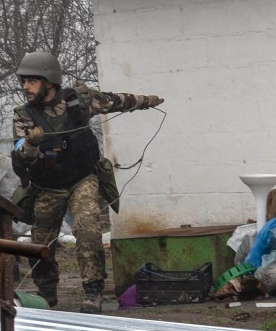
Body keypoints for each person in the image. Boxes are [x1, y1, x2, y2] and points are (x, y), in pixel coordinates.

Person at [9, 51, 162, 310]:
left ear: (49, 81)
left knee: (87, 227)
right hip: (47, 186)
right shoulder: (24, 115)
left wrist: (146, 101)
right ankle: (47, 293)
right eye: (23, 81)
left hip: (82, 178)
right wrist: (32, 145)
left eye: (31, 81)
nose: (25, 87)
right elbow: (21, 157)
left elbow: (115, 101)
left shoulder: (77, 101)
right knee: (40, 244)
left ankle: (93, 291)